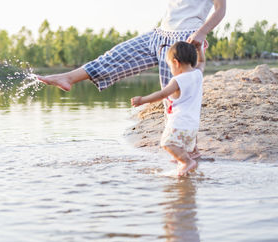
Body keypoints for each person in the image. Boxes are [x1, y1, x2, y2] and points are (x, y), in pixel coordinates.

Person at [37, 0, 225, 92]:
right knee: (114, 57)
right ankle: (68, 78)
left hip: (184, 40)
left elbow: (220, 10)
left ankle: (189, 153)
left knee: (175, 98)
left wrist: (201, 33)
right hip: (158, 34)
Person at [131, 41, 206, 176]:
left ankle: (186, 162)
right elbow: (201, 62)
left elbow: (162, 94)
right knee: (180, 144)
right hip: (192, 125)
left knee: (166, 143)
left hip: (179, 122)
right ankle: (186, 161)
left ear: (176, 63)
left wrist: (143, 100)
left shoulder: (177, 80)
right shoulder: (197, 74)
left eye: (170, 66)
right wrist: (200, 50)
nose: (171, 69)